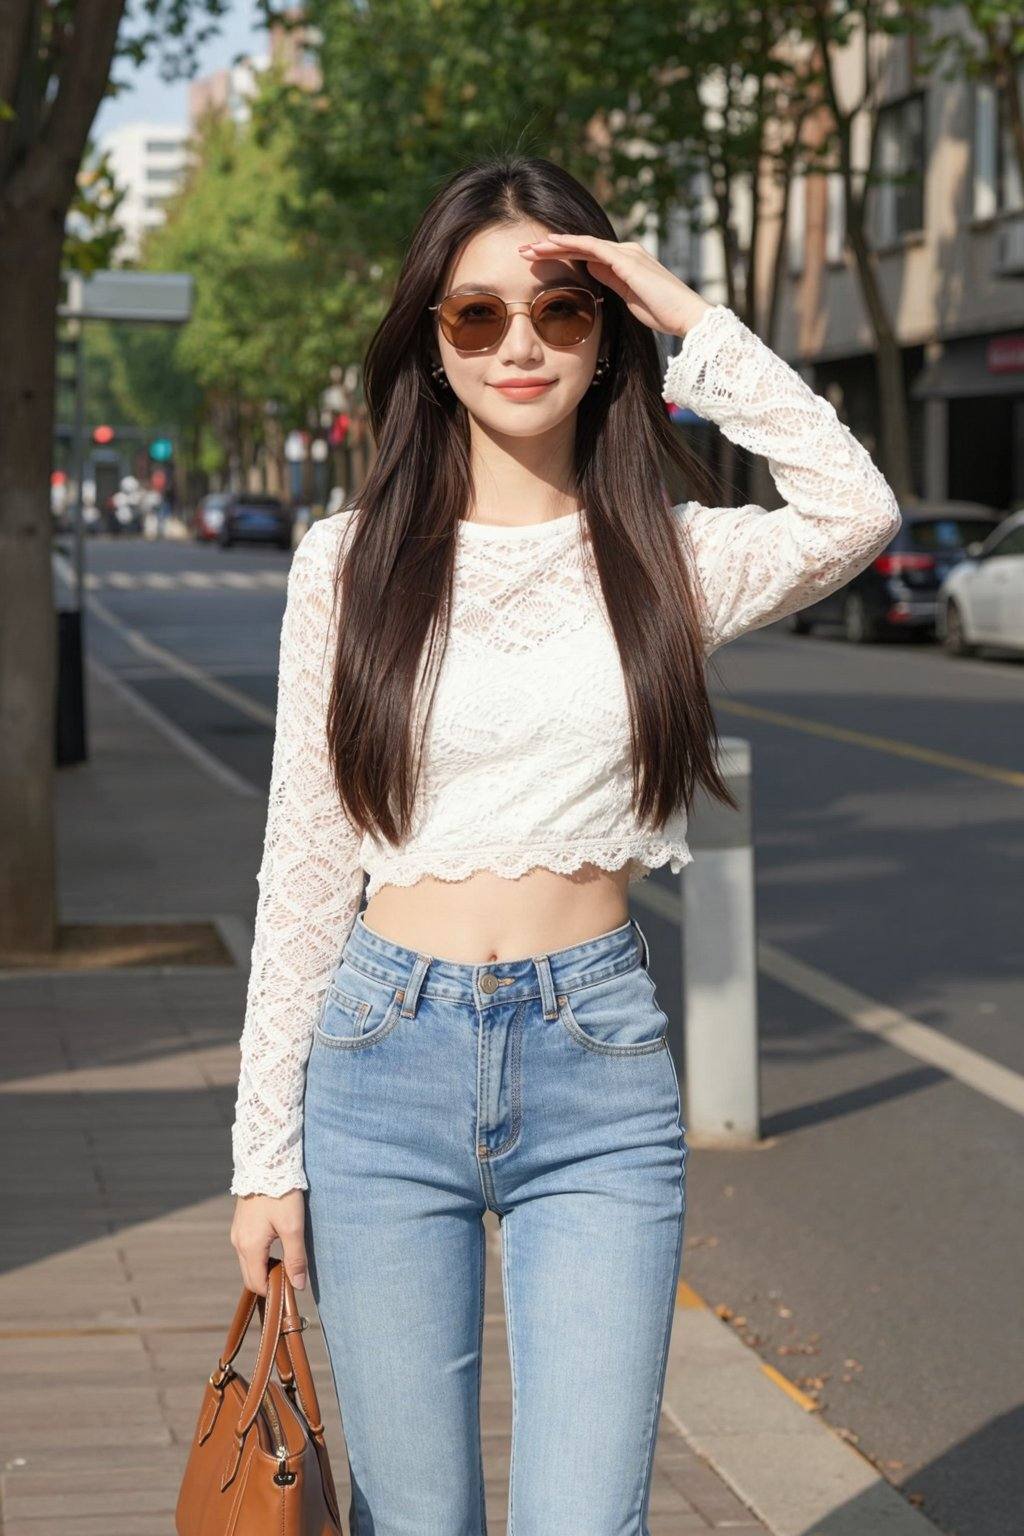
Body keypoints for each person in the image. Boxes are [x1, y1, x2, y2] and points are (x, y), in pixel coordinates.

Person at [229, 154, 901, 1534]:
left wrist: (680, 310)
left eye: (561, 311)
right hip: (377, 1061)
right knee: (415, 1521)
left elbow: (856, 508)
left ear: (606, 342)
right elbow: (303, 861)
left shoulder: (668, 556)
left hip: (593, 1067)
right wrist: (262, 1158)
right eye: (475, 316)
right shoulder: (345, 565)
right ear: (432, 339)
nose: (518, 345)